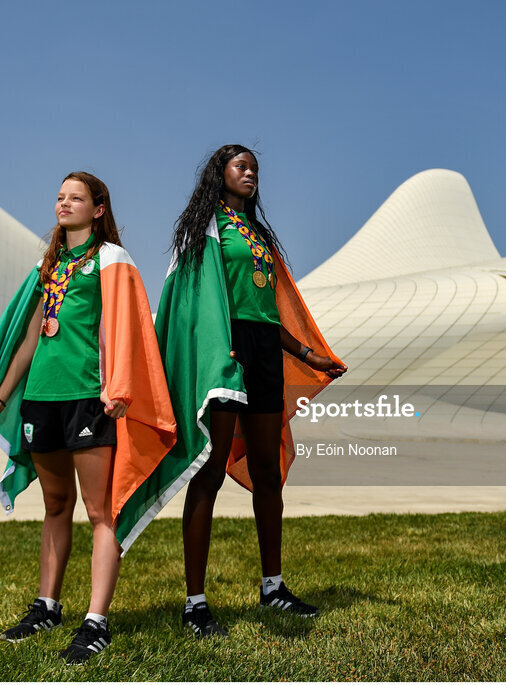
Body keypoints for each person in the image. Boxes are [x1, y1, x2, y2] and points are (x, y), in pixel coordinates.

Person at [0, 172, 175, 664]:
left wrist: (117, 387)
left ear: (98, 208)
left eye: (75, 197)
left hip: (86, 399)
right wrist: (0, 396)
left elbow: (124, 326)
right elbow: (31, 338)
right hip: (41, 399)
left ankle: (96, 621)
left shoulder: (111, 259)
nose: (64, 203)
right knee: (56, 504)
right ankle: (48, 606)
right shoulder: (48, 266)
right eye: (59, 196)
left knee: (101, 512)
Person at [155, 144, 346, 638]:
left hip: (263, 353)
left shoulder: (258, 234)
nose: (251, 173)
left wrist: (307, 355)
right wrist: (217, 349)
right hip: (227, 353)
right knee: (210, 470)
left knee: (267, 470)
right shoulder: (205, 229)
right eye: (241, 166)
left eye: (256, 168)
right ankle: (195, 603)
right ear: (219, 174)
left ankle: (273, 587)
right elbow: (196, 300)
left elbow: (268, 312)